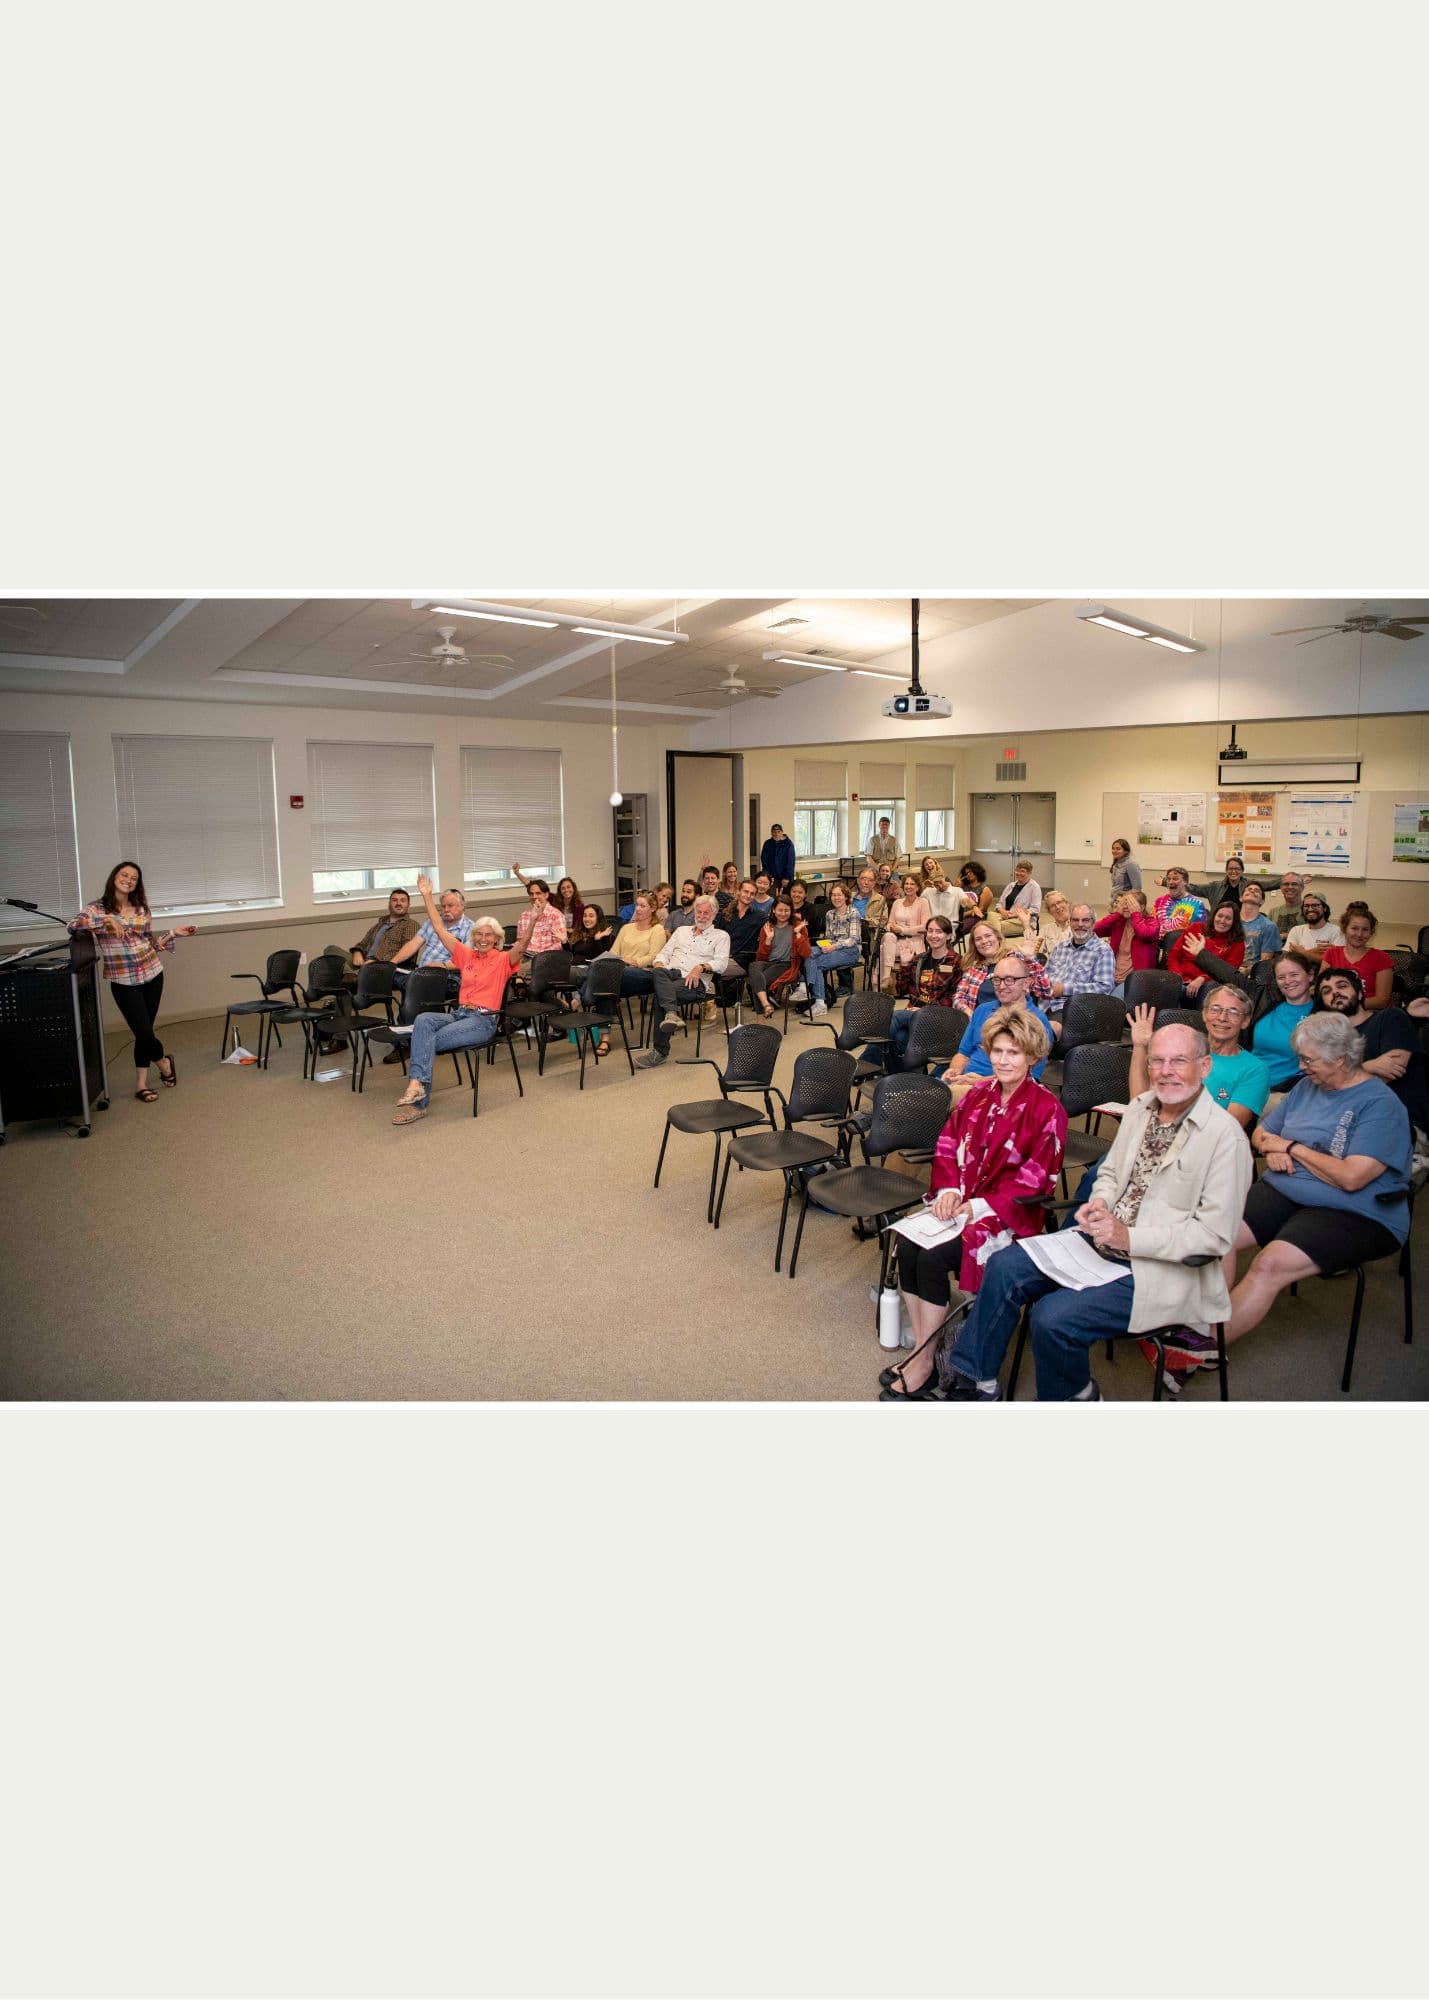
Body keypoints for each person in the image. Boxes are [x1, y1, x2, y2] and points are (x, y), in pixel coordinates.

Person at [935, 1022, 1251, 1401]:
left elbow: (1214, 1237)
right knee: (1005, 1264)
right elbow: (1111, 1172)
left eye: (1178, 1061)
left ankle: (1078, 1397)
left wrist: (1128, 1236)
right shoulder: (1140, 1109)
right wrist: (1099, 1201)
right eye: (1157, 1061)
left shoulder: (1225, 1138)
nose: (1165, 1071)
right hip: (1102, 1242)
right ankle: (977, 1380)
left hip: (1159, 1268)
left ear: (1204, 1067)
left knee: (1051, 1318)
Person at [880, 1008, 1068, 1399]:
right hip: (960, 1203)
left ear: (1032, 1056)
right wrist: (948, 1190)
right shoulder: (978, 1095)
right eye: (997, 1051)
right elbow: (948, 1145)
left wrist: (977, 1207)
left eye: (1013, 1053)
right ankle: (922, 1355)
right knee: (909, 1245)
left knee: (930, 1258)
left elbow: (1036, 1177)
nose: (1002, 1060)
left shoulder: (1048, 1109)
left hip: (1004, 1218)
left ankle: (925, 1363)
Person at [1211, 1013, 1412, 1366]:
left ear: (1340, 1059)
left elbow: (1351, 1178)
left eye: (1308, 1060)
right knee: (1216, 1233)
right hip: (1288, 1187)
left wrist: (1290, 1148)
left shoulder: (1380, 1105)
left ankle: (1205, 1347)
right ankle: (1207, 1319)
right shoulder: (1306, 1087)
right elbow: (1260, 1134)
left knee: (1269, 1264)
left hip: (1356, 1210)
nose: (1301, 1067)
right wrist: (1272, 1148)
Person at [391, 880, 529, 1126]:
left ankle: (417, 1101)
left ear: (497, 939)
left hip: (483, 1020)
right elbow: (439, 928)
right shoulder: (466, 955)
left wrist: (536, 919)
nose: (483, 938)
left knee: (425, 1039)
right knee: (424, 1020)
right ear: (473, 937)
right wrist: (427, 895)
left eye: (489, 935)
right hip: (459, 1015)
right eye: (479, 934)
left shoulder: (502, 960)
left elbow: (522, 946)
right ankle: (417, 1086)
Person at [69, 861, 194, 1101]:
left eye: (134, 878)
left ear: (137, 884)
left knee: (142, 1032)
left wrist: (172, 934)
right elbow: (73, 926)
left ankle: (141, 1084)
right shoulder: (96, 908)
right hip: (122, 980)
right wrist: (103, 922)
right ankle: (165, 1063)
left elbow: (151, 944)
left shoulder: (141, 909)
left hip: (152, 974)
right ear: (114, 877)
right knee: (144, 1031)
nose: (128, 879)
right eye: (124, 875)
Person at [1313, 965, 1428, 1151]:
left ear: (1359, 994)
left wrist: (1342, 1075)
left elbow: (1392, 1070)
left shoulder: (1390, 1018)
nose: (1335, 992)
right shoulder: (1331, 1041)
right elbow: (1325, 1085)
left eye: (1342, 986)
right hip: (1345, 1124)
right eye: (1327, 991)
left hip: (1400, 1124)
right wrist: (1369, 1067)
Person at [1127, 989, 1269, 1130]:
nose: (1222, 1018)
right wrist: (1140, 1046)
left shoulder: (1255, 1069)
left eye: (1232, 1012)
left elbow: (1226, 1130)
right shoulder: (1180, 1051)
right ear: (1204, 1014)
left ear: (1245, 1021)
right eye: (1215, 1009)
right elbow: (1139, 1102)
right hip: (1154, 1136)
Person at [634, 896, 731, 1067]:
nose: (701, 916)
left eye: (706, 913)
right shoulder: (681, 931)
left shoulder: (721, 936)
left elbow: (722, 964)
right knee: (658, 972)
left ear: (714, 914)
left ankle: (660, 1052)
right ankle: (672, 1014)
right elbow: (663, 954)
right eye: (698, 912)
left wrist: (700, 967)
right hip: (669, 974)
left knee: (660, 996)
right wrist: (658, 963)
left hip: (693, 982)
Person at [942, 954, 1053, 1100]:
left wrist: (978, 1082)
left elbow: (1028, 1077)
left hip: (1000, 1091)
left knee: (926, 1106)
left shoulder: (1037, 1021)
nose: (1001, 986)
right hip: (965, 1081)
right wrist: (954, 1070)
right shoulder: (982, 1010)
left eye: (1009, 980)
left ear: (1026, 984)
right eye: (996, 980)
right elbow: (963, 1053)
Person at [386, 886, 475, 1060]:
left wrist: (441, 965)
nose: (445, 910)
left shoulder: (470, 928)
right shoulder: (432, 922)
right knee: (399, 977)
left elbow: (468, 961)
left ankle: (406, 1041)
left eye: (450, 906)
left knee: (413, 985)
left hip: (450, 975)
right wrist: (393, 962)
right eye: (443, 906)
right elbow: (414, 944)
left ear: (462, 906)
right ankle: (413, 1032)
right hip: (423, 973)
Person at [879, 915, 961, 1066]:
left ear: (948, 935)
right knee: (899, 1038)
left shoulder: (956, 962)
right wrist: (904, 965)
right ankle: (900, 1079)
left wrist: (926, 1010)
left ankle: (867, 1062)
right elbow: (901, 989)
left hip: (938, 1017)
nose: (933, 935)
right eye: (930, 931)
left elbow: (954, 997)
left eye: (939, 931)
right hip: (913, 1013)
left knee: (895, 1017)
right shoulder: (920, 959)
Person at [1249, 951, 1318, 1090]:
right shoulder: (1267, 1005)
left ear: (1310, 975)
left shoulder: (1321, 1015)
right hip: (1246, 1083)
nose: (1287, 981)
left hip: (1284, 1093)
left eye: (1294, 974)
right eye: (1281, 977)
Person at [1043, 903, 1116, 1029]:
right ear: (1070, 923)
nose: (1080, 924)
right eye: (1075, 920)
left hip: (1072, 1010)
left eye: (1085, 920)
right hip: (1045, 1004)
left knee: (1040, 1034)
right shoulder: (1060, 948)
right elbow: (1045, 977)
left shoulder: (1102, 951)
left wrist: (1064, 989)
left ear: (1093, 923)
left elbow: (1104, 988)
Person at [955, 921, 1051, 1014]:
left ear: (998, 938)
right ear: (974, 945)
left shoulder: (1017, 958)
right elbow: (958, 999)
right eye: (978, 939)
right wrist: (971, 1014)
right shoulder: (973, 968)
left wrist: (1030, 959)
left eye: (988, 936)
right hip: (982, 1021)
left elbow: (1045, 991)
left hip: (1016, 1020)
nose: (984, 941)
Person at [1167, 899, 1245, 1004]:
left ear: (1234, 922)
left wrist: (1202, 979)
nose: (1222, 921)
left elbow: (1228, 974)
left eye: (1228, 918)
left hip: (1209, 987)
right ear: (1214, 916)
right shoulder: (1195, 928)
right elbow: (1174, 955)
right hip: (1181, 979)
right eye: (1220, 916)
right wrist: (1178, 976)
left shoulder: (1237, 944)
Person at [747, 894, 811, 1018]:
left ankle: (761, 1019)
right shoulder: (768, 926)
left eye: (787, 910)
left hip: (786, 964)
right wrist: (768, 940)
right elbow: (761, 957)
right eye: (780, 910)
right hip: (768, 962)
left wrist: (798, 934)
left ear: (791, 911)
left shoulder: (797, 926)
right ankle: (766, 1004)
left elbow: (806, 953)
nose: (783, 913)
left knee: (758, 980)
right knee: (754, 966)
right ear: (773, 910)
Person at [806, 880, 861, 1017]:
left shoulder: (853, 913)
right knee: (808, 952)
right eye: (833, 895)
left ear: (846, 897)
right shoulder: (829, 914)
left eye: (839, 895)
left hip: (850, 951)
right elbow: (829, 937)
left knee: (817, 964)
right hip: (833, 947)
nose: (836, 898)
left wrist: (834, 947)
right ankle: (804, 987)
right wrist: (825, 945)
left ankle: (820, 1002)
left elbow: (853, 939)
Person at [1321, 904, 1393, 1010]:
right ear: (1344, 929)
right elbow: (1322, 987)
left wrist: (1346, 1005)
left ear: (1371, 932)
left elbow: (1381, 1001)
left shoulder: (1382, 959)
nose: (1359, 934)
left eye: (1365, 929)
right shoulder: (1331, 953)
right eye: (1354, 928)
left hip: (1371, 1016)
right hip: (1337, 1013)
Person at [1095, 889, 1159, 996]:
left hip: (1135, 980)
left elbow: (1144, 934)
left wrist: (1136, 915)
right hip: (1110, 976)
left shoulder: (1152, 922)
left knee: (1112, 1002)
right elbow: (1094, 930)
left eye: (1130, 904)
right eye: (1123, 903)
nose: (1125, 907)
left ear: (1142, 907)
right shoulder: (1119, 922)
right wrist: (1116, 915)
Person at [879, 873, 931, 989]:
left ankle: (897, 984)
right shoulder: (897, 903)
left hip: (914, 942)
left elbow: (924, 927)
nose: (909, 886)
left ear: (918, 887)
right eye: (906, 884)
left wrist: (902, 930)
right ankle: (887, 976)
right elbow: (889, 923)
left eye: (912, 884)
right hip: (895, 941)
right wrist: (891, 928)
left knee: (884, 948)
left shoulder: (923, 902)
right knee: (888, 937)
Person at [350, 888, 419, 970]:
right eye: (394, 900)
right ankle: (351, 974)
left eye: (403, 900)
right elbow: (362, 944)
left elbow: (407, 952)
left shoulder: (411, 925)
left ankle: (352, 975)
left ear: (408, 905)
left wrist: (376, 962)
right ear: (389, 904)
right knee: (333, 950)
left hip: (384, 967)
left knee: (341, 971)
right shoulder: (380, 924)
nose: (398, 903)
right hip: (364, 961)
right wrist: (357, 952)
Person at [515, 875, 568, 958]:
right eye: (531, 894)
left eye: (538, 893)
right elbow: (519, 941)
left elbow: (559, 945)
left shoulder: (556, 916)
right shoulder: (524, 916)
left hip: (544, 959)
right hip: (524, 955)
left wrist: (540, 955)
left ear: (546, 895)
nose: (534, 897)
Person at [1283, 889, 1344, 962]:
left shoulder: (1337, 931)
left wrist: (1301, 952)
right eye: (1306, 906)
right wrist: (1315, 952)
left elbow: (1335, 961)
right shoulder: (1296, 930)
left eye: (1315, 905)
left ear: (1324, 908)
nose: (1310, 909)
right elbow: (1286, 958)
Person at [1237, 880, 1282, 974]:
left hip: (1252, 975)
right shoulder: (1230, 921)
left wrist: (1248, 971)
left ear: (1262, 901)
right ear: (1241, 898)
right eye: (1249, 889)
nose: (1252, 891)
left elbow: (1265, 963)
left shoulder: (1269, 926)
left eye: (1257, 891)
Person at [1151, 866, 1209, 938]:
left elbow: (1200, 933)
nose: (1171, 882)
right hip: (1159, 946)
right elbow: (1151, 927)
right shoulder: (1159, 901)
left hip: (1183, 945)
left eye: (1175, 879)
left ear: (1185, 882)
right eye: (1168, 879)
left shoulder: (1196, 904)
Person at [994, 859, 1042, 932]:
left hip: (1021, 920)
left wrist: (1014, 914)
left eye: (1022, 871)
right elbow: (999, 904)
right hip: (1005, 917)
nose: (1018, 873)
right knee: (989, 917)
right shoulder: (1010, 885)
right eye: (1017, 870)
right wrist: (1002, 911)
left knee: (994, 927)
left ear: (1029, 873)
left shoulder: (1035, 887)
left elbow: (1035, 909)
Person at [956, 860, 994, 932]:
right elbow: (953, 899)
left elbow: (981, 910)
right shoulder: (963, 886)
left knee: (957, 929)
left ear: (977, 872)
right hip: (960, 915)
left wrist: (964, 914)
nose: (968, 874)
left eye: (971, 872)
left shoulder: (985, 889)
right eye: (966, 873)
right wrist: (956, 886)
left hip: (974, 917)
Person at [1033, 889, 1072, 957]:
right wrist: (1026, 925)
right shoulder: (1046, 930)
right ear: (1049, 912)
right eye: (1052, 906)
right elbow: (1035, 952)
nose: (1057, 907)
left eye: (1059, 902)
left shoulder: (1080, 925)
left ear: (1067, 903)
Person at [759, 823, 797, 893]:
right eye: (774, 832)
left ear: (782, 832)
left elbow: (790, 862)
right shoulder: (767, 844)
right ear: (771, 833)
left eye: (778, 831)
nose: (776, 834)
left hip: (785, 878)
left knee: (784, 899)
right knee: (772, 898)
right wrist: (767, 876)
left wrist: (787, 877)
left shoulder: (788, 844)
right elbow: (764, 861)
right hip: (772, 878)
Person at [1269, 871, 1307, 938]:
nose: (1290, 887)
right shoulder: (1273, 912)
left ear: (1302, 887)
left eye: (1294, 884)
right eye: (1286, 884)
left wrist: (1286, 936)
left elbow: (1315, 933)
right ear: (1281, 888)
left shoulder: (1309, 909)